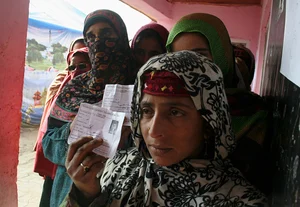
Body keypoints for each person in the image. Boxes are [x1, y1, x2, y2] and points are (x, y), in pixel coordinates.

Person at [61, 51, 268, 206]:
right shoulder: (118, 167)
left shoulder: (239, 200)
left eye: (175, 112)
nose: (153, 130)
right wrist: (86, 193)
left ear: (208, 122)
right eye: (146, 110)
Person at [166, 13, 272, 194]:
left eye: (200, 55)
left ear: (222, 56)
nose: (187, 67)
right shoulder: (164, 109)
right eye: (178, 58)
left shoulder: (252, 114)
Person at [42, 9, 134, 207]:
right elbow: (47, 145)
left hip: (123, 196)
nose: (98, 42)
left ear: (121, 37)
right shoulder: (75, 88)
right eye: (91, 36)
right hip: (71, 195)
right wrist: (72, 130)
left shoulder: (139, 87)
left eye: (107, 34)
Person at [34, 46, 90, 207]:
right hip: (63, 179)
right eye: (72, 67)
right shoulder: (65, 95)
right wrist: (70, 129)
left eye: (83, 66)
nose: (76, 72)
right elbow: (48, 142)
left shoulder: (107, 96)